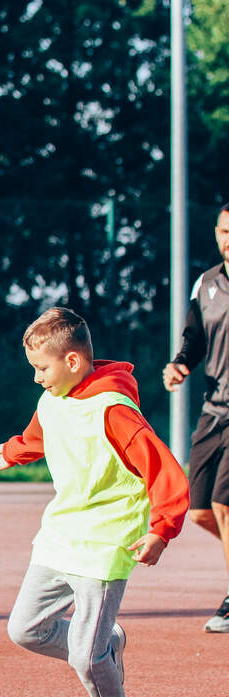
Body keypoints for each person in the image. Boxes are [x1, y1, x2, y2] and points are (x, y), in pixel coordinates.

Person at [0, 307, 188, 697]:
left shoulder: (115, 411)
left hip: (106, 545)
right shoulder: (52, 400)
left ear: (72, 361)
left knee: (84, 657)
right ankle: (105, 643)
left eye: (42, 368)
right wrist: (13, 452)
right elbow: (39, 437)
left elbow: (164, 471)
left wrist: (162, 529)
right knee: (25, 629)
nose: (37, 378)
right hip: (61, 535)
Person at [163, 201, 229, 633]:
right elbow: (194, 338)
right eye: (224, 230)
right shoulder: (206, 284)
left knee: (225, 504)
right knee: (201, 510)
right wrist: (179, 364)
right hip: (214, 411)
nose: (228, 239)